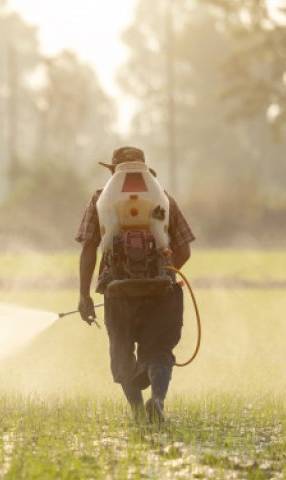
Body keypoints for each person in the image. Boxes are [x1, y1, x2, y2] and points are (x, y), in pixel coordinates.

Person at [74, 146, 195, 422]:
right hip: (161, 291)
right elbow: (185, 249)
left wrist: (84, 295)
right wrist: (164, 269)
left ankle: (139, 414)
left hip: (118, 292)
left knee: (123, 354)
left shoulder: (99, 200)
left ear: (112, 171)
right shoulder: (163, 199)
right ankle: (158, 401)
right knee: (160, 349)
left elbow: (88, 248)